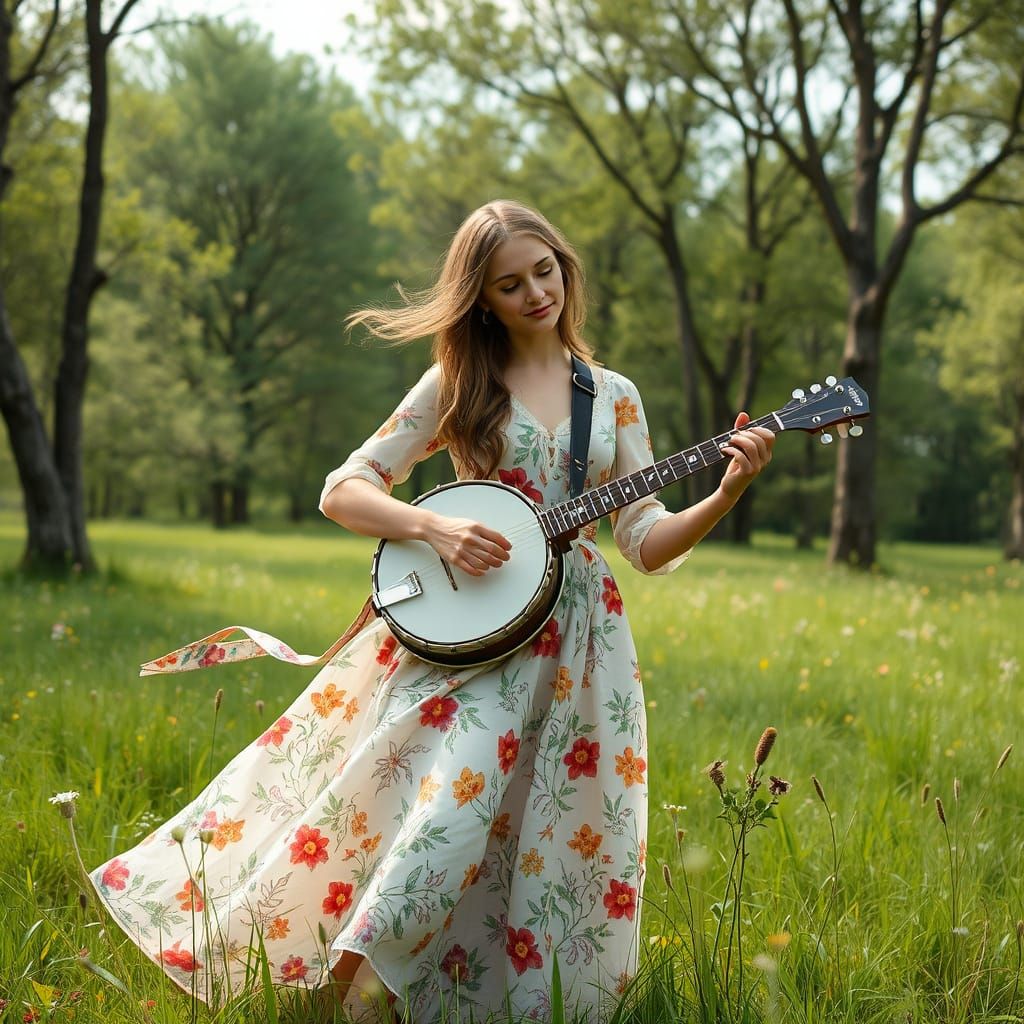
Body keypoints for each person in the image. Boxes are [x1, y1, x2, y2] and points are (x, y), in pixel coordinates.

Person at [90, 200, 774, 1023]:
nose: (535, 294)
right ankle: (361, 995)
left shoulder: (614, 396)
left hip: (580, 647)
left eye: (545, 271)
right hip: (474, 636)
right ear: (481, 298)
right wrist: (433, 526)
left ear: (565, 265)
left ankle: (482, 999)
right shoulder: (459, 383)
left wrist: (726, 494)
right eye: (509, 283)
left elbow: (644, 539)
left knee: (543, 836)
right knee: (448, 814)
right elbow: (343, 487)